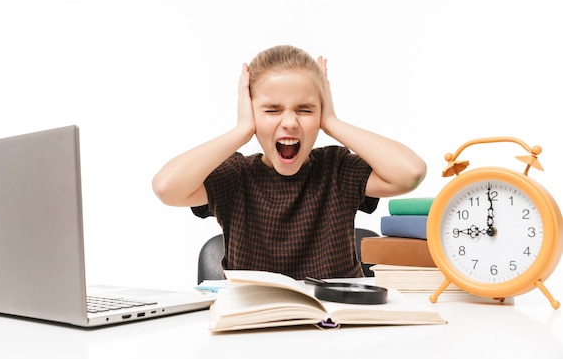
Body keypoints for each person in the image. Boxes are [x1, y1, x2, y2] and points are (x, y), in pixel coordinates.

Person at [152, 45, 427, 280]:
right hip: (256, 329)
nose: (290, 122)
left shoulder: (336, 168)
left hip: (337, 330)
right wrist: (241, 130)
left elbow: (409, 173)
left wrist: (332, 122)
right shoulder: (235, 175)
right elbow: (166, 188)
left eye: (305, 110)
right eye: (271, 110)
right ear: (251, 111)